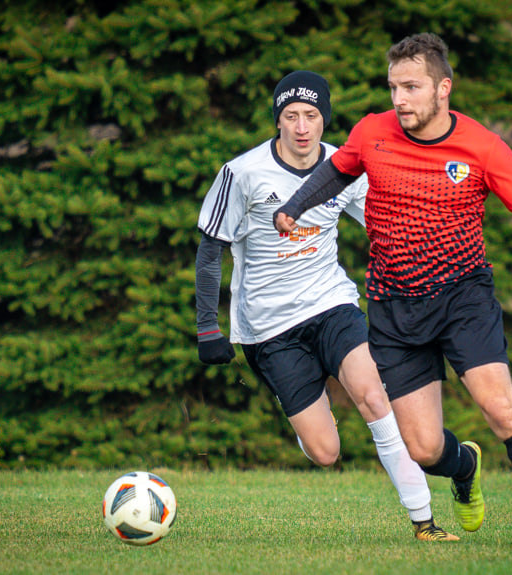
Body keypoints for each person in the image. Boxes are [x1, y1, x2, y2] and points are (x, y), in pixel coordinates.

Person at [274, 34, 512, 548]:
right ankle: (465, 468)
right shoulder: (373, 132)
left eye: (412, 87)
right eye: (394, 86)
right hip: (394, 308)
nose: (399, 99)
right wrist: (295, 206)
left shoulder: (481, 146)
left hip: (463, 297)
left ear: (444, 88)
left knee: (499, 406)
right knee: (421, 448)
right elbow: (337, 171)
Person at [196, 70, 457, 542]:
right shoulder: (242, 172)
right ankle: (305, 406)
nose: (301, 127)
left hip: (331, 304)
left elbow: (387, 226)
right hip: (269, 329)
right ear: (278, 120)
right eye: (291, 116)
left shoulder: (344, 165)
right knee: (325, 451)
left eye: (311, 116)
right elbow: (210, 247)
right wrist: (206, 328)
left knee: (376, 398)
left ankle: (425, 522)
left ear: (324, 120)